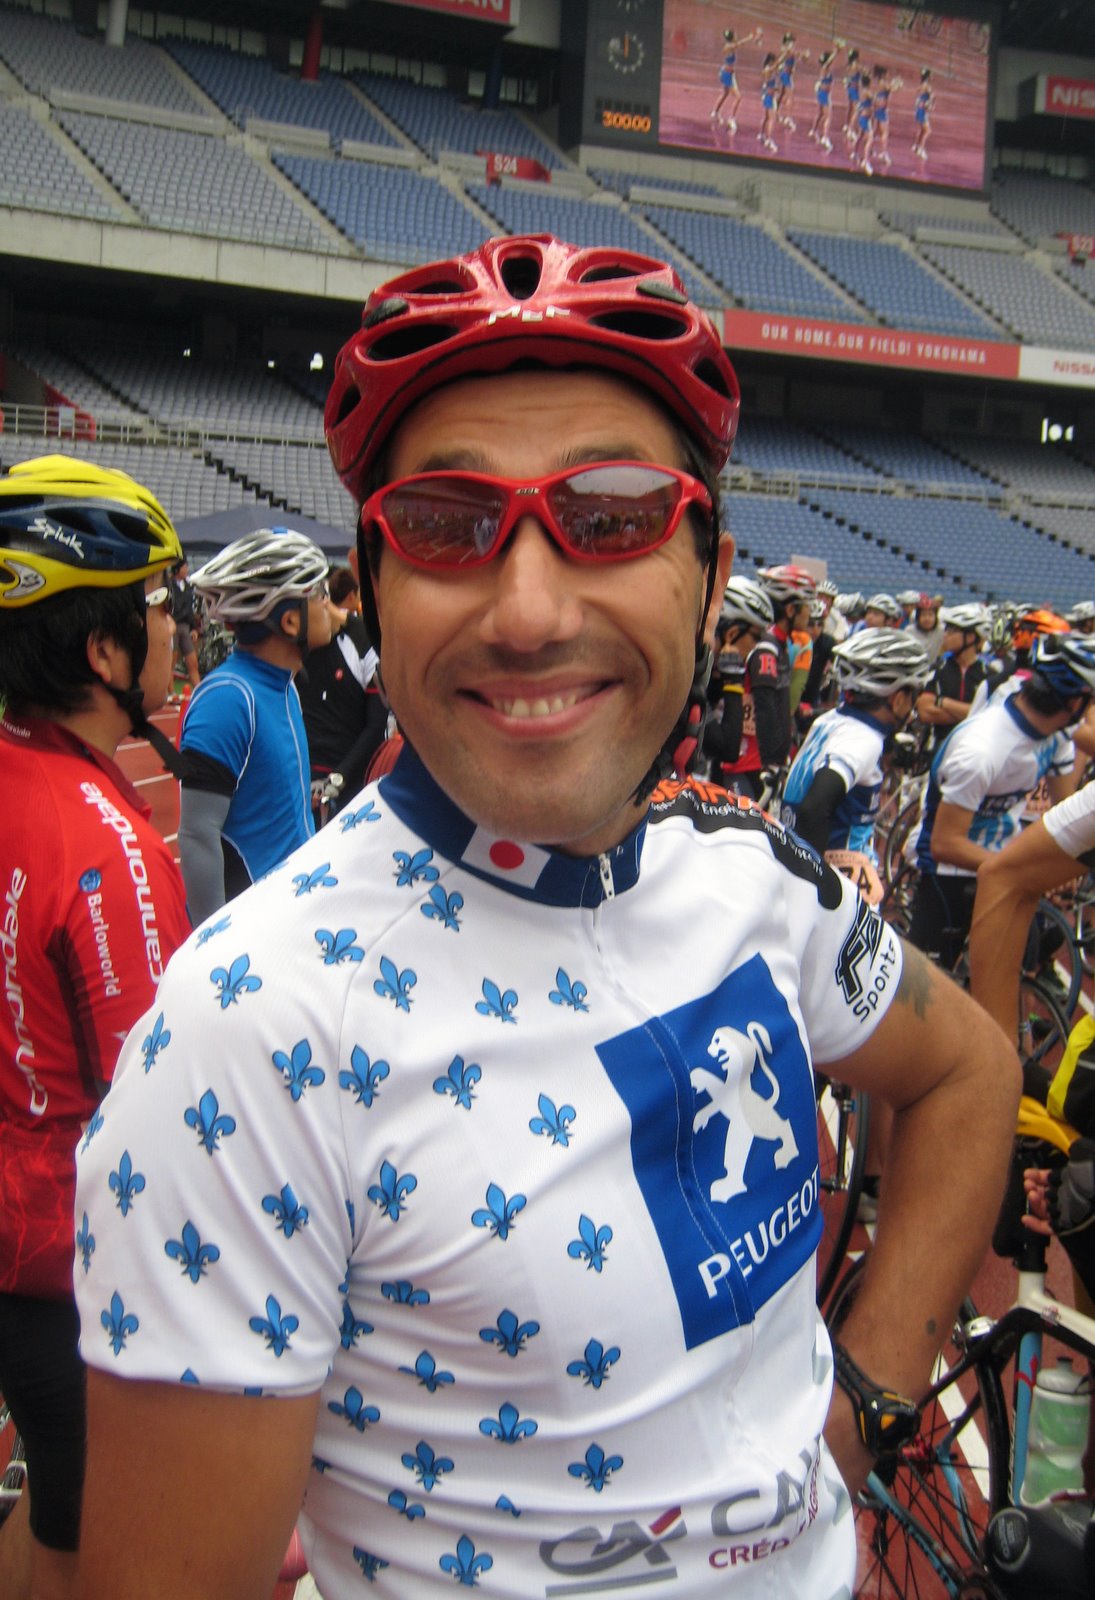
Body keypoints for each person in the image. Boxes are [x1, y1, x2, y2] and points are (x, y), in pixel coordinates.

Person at [72, 235, 1018, 1600]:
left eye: (614, 513)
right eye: (446, 524)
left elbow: (969, 1069)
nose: (526, 612)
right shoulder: (248, 1034)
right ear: (372, 587)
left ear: (710, 572)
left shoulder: (753, 879)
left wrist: (863, 1403)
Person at [0, 456, 190, 1600]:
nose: (174, 626)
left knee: (52, 1508)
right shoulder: (105, 839)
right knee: (97, 1543)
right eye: (157, 604)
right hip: (64, 1263)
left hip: (17, 1237)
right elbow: (155, 1106)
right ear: (103, 652)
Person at [909, 632, 1093, 972]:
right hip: (948, 873)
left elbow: (1063, 808)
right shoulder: (980, 751)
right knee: (925, 989)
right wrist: (1023, 870)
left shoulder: (1058, 734)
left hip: (1002, 860)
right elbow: (945, 844)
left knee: (1021, 966)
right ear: (1073, 703)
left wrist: (1059, 867)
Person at [175, 528, 333, 923]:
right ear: (291, 621)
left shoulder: (285, 686)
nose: (328, 605)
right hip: (255, 926)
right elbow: (197, 836)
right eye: (320, 594)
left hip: (295, 913)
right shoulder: (228, 699)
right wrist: (214, 944)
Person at [781, 628, 932, 859]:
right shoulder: (863, 740)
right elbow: (813, 808)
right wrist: (815, 875)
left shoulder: (833, 719)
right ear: (898, 698)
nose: (914, 706)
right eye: (914, 695)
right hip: (840, 869)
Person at [297, 565, 386, 820]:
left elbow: (376, 725)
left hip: (350, 783)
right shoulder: (295, 649)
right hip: (302, 780)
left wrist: (339, 777)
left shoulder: (363, 639)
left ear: (323, 601)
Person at [702, 574, 787, 790]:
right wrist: (734, 678)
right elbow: (728, 749)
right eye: (756, 638)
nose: (756, 647)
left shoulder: (701, 664)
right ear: (732, 634)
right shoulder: (691, 669)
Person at [915, 601, 990, 749]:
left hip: (973, 748)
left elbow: (988, 717)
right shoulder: (937, 669)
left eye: (951, 631)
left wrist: (943, 702)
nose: (945, 635)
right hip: (937, 748)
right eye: (946, 630)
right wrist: (971, 712)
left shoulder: (989, 674)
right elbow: (925, 712)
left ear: (970, 637)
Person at [709, 24, 762, 132]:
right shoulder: (728, 47)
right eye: (735, 35)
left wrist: (752, 38)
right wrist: (750, 37)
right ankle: (731, 119)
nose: (736, 36)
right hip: (727, 75)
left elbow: (738, 44)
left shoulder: (730, 46)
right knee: (738, 97)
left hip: (729, 74)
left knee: (725, 94)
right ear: (732, 37)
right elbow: (739, 44)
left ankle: (715, 113)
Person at [168, 556, 201, 692]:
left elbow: (190, 609)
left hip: (185, 627)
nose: (187, 569)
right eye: (184, 567)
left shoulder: (188, 586)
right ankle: (171, 693)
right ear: (177, 569)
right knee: (171, 663)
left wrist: (194, 628)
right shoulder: (168, 585)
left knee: (192, 662)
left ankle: (199, 690)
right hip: (173, 626)